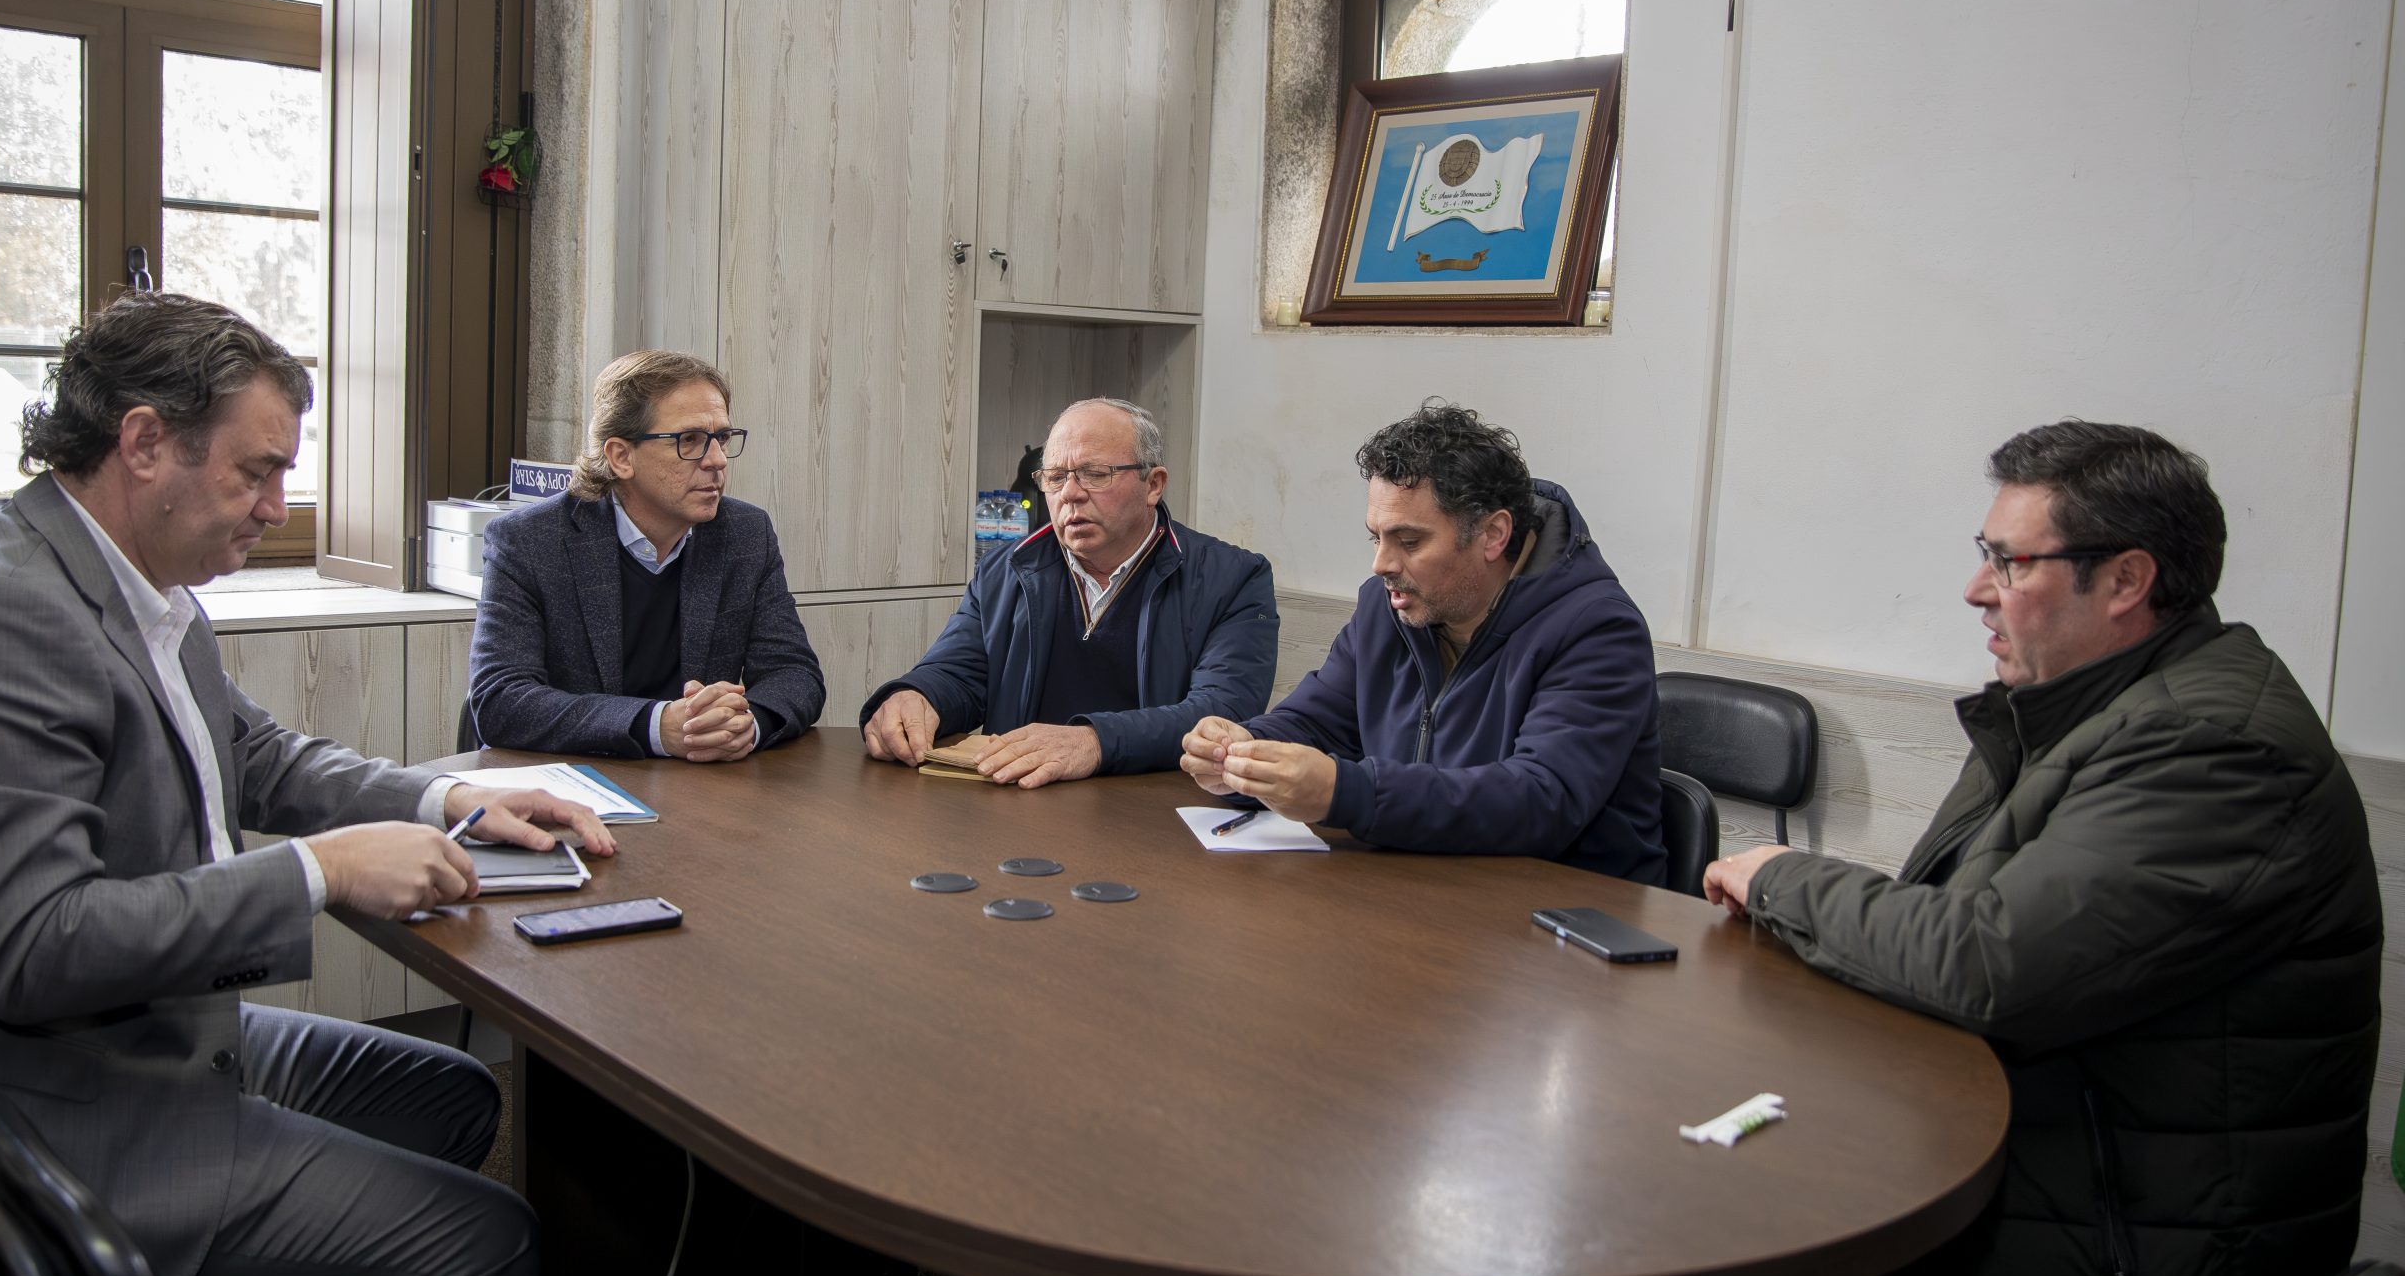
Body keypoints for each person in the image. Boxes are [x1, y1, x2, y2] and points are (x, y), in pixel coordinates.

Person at [0, 293, 618, 1276]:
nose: (275, 504)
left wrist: (452, 794)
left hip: (114, 1044)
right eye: (255, 473)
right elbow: (31, 948)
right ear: (146, 440)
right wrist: (322, 871)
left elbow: (256, 758)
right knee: (488, 1244)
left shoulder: (131, 582)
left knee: (447, 1098)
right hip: (18, 1105)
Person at [1703, 421, 2376, 1276]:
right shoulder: (2096, 706)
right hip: (2066, 1149)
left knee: (1709, 1215)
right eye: (1986, 556)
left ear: (2126, 580)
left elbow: (1988, 964)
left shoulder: (2217, 752)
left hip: (2138, 1238)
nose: (1977, 590)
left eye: (2008, 562)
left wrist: (1778, 877)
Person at [1180, 399, 1663, 880]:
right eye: (1377, 538)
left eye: (1408, 542)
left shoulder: (1598, 629)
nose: (1382, 565)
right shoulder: (1386, 606)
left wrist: (1343, 793)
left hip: (1567, 914)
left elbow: (1540, 801)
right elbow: (1319, 723)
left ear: (1493, 534)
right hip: (1424, 886)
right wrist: (1244, 754)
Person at [861, 398, 1275, 785]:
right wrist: (917, 695)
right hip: (1022, 802)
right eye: (1055, 478)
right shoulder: (1007, 569)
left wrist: (1095, 742)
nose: (1070, 494)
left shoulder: (1233, 578)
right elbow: (960, 673)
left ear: (1154, 484)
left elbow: (1222, 712)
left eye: (1095, 474)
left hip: (1159, 812)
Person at [469, 350, 824, 761]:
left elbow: (795, 674)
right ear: (621, 457)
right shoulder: (529, 542)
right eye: (689, 440)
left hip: (702, 791)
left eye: (722, 438)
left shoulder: (745, 534)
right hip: (573, 785)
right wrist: (658, 725)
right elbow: (501, 700)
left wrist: (747, 724)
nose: (717, 461)